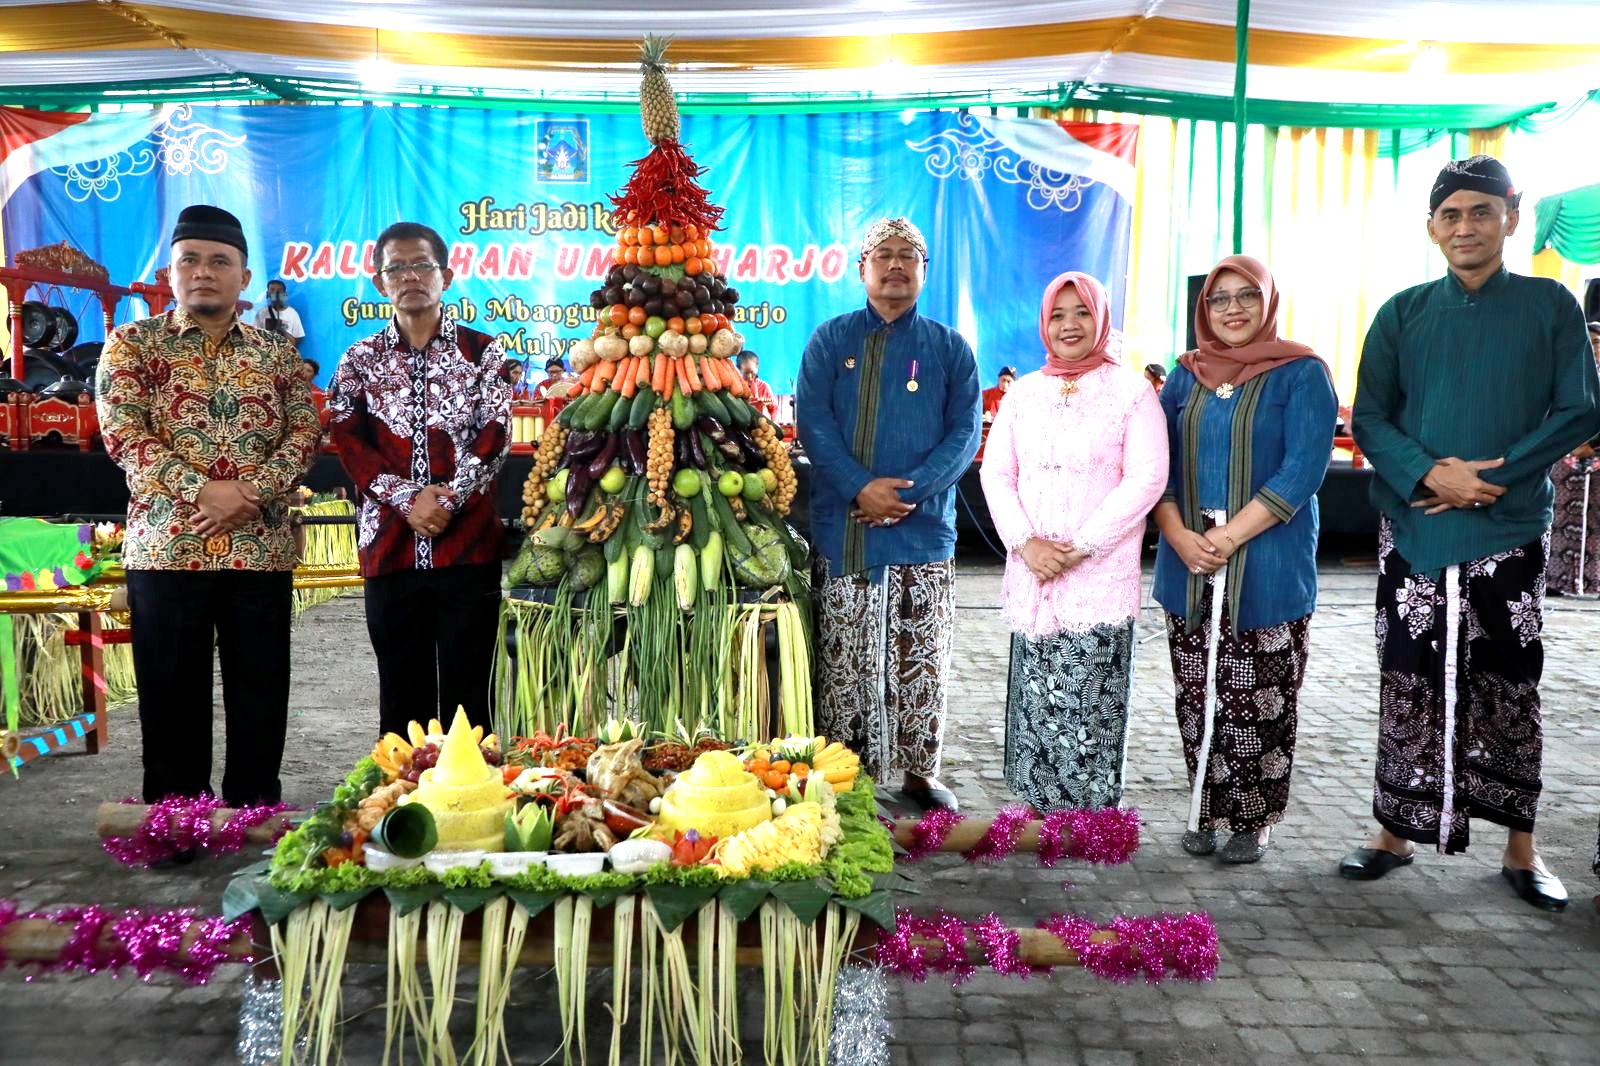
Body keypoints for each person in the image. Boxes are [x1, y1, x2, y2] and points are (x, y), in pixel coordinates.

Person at [1343, 156, 1600, 911]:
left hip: (1509, 526)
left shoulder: (1550, 306)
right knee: (1406, 677)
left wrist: (1491, 477)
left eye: (1480, 212)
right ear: (1431, 227)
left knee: (1512, 683)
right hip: (1416, 531)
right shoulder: (1402, 312)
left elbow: (1581, 410)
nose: (1465, 226)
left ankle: (1521, 846)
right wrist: (1430, 475)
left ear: (1511, 219)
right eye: (1450, 214)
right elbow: (1370, 417)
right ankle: (1393, 832)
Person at [96, 205, 319, 815]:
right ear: (170, 272)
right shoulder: (131, 344)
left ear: (244, 278)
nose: (203, 272)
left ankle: (252, 815)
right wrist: (204, 491)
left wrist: (247, 494)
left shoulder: (277, 357)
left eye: (219, 261)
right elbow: (124, 436)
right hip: (169, 549)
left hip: (259, 550)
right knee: (171, 694)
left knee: (260, 690)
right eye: (188, 260)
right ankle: (176, 820)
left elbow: (303, 437)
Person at [1152, 254, 1336, 864]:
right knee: (1195, 691)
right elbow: (1161, 468)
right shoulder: (1185, 376)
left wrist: (1231, 537)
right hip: (1189, 561)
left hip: (1268, 560)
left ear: (1268, 302)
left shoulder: (1301, 372)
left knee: (1260, 694)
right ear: (1204, 309)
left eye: (1245, 297)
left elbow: (1304, 468)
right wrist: (1178, 536)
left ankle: (1252, 819)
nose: (1232, 309)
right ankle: (1203, 803)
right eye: (1219, 298)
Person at [797, 217, 981, 812]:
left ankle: (918, 770)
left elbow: (964, 433)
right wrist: (859, 488)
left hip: (923, 531)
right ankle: (845, 771)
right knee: (846, 655)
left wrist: (910, 492)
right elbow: (814, 427)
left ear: (924, 271)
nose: (896, 264)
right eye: (884, 254)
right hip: (845, 527)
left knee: (919, 652)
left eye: (908, 255)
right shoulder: (831, 340)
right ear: (862, 270)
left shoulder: (949, 348)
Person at [980, 272, 1167, 811]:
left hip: (1097, 577)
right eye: (1058, 314)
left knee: (1089, 701)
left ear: (1101, 319)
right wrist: (1025, 543)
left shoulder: (1131, 392)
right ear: (1044, 322)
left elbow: (1147, 478)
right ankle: (1035, 812)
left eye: (1081, 312)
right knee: (1035, 696)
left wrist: (1080, 547)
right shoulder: (1025, 394)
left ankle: (1085, 821)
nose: (1068, 325)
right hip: (1032, 573)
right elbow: (997, 476)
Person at [328, 221, 512, 738]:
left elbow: (495, 433)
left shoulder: (484, 353)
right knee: (400, 693)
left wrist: (448, 501)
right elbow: (347, 437)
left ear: (446, 275)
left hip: (468, 549)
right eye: (396, 267)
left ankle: (471, 807)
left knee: (469, 692)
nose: (410, 276)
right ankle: (399, 805)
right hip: (389, 549)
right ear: (379, 281)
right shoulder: (359, 360)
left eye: (421, 265)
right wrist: (407, 498)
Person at [1545, 321, 1600, 596]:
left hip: (1596, 462)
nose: (1593, 348)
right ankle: (1556, 581)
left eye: (1598, 342)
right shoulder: (1563, 374)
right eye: (1588, 342)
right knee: (1560, 519)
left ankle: (1593, 583)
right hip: (1562, 462)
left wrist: (1593, 445)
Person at [253, 278, 305, 349]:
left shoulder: (292, 313)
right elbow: (255, 335)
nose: (275, 293)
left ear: (284, 294)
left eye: (279, 291)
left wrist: (282, 332)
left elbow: (298, 337)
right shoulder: (261, 313)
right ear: (267, 294)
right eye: (272, 290)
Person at [739, 350, 778, 420]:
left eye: (752, 372)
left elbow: (774, 408)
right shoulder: (735, 387)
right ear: (739, 370)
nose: (749, 376)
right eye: (745, 373)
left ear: (757, 368)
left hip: (760, 425)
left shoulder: (764, 387)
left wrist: (773, 422)